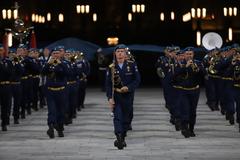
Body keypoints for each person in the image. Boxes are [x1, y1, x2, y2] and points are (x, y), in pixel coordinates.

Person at [105, 44, 141, 149]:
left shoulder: (132, 65)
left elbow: (137, 80)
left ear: (125, 54)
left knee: (126, 117)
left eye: (122, 51)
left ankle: (123, 136)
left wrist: (129, 88)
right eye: (118, 51)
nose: (120, 53)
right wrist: (109, 98)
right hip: (116, 95)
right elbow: (108, 84)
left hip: (128, 95)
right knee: (117, 116)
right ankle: (119, 136)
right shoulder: (111, 67)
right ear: (115, 54)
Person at [42, 47, 67, 138]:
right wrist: (48, 64)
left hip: (61, 90)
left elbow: (68, 73)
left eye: (57, 53)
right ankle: (51, 127)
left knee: (61, 111)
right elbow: (43, 72)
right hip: (50, 91)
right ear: (51, 55)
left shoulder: (64, 63)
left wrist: (60, 65)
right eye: (54, 53)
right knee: (51, 110)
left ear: (60, 54)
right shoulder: (47, 64)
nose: (56, 55)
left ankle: (60, 128)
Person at [0, 44, 13, 131]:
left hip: (6, 85)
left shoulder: (8, 61)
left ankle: (4, 123)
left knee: (5, 106)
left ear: (4, 51)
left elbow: (11, 73)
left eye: (1, 50)